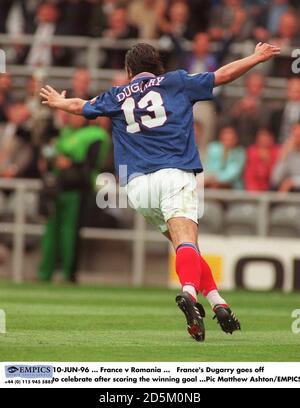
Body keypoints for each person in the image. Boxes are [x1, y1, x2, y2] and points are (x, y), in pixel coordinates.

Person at [40, 41, 280, 342]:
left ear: (129, 71)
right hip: (173, 174)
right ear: (157, 66)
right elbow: (223, 75)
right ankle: (189, 295)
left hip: (137, 187)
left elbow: (80, 106)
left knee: (185, 247)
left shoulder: (116, 95)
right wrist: (257, 58)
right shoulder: (177, 81)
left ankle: (218, 302)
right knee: (187, 243)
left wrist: (59, 102)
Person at [38, 114, 110, 282]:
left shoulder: (93, 135)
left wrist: (69, 163)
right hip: (56, 189)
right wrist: (51, 159)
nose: (74, 118)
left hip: (77, 190)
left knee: (69, 235)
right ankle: (45, 273)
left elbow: (93, 165)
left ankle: (68, 273)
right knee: (50, 234)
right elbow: (46, 154)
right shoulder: (62, 135)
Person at [271, 123, 300, 192]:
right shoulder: (288, 152)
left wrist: (292, 182)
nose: (297, 140)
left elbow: (288, 183)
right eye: (295, 136)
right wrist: (284, 156)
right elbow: (275, 179)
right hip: (291, 193)